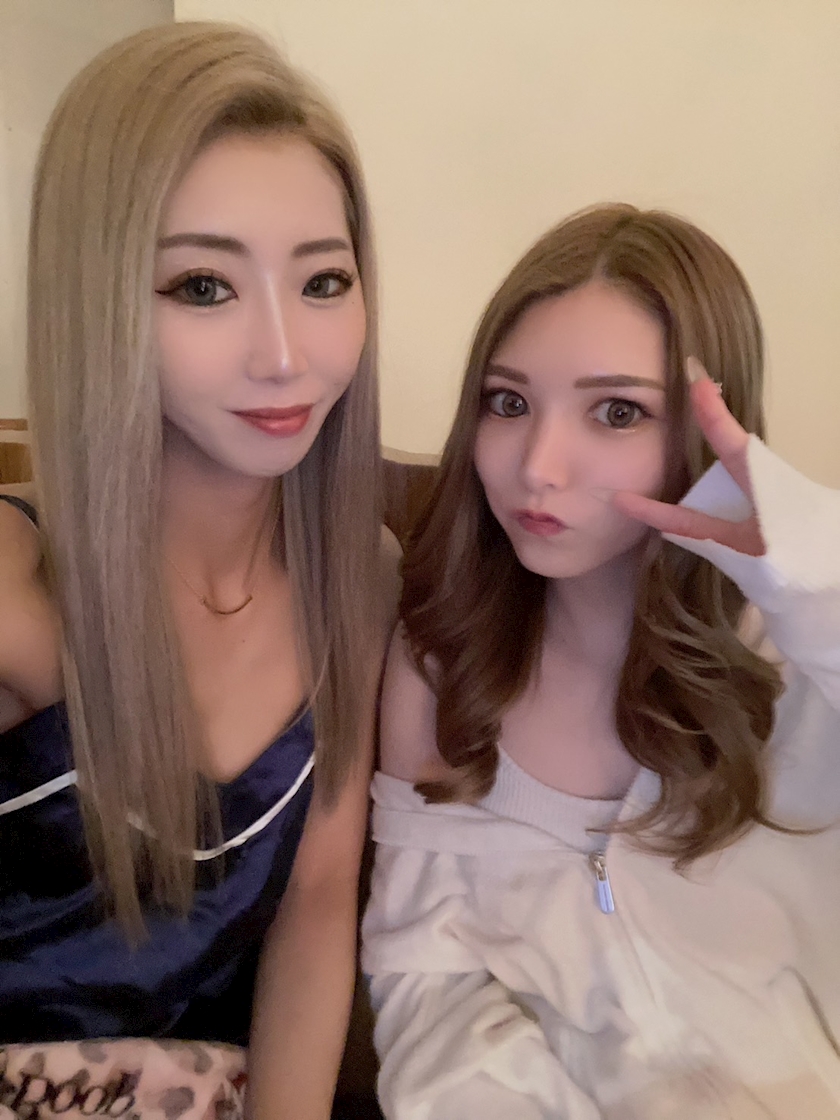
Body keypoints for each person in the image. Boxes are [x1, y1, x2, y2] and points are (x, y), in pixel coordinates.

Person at [362, 204, 840, 1118]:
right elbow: (429, 985)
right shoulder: (441, 666)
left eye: (617, 412)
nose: (539, 465)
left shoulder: (801, 662)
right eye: (509, 403)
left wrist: (812, 573)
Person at [0, 21, 396, 1120]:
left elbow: (317, 908)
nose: (286, 355)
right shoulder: (16, 587)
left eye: (324, 281)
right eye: (204, 287)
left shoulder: (362, 577)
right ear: (101, 299)